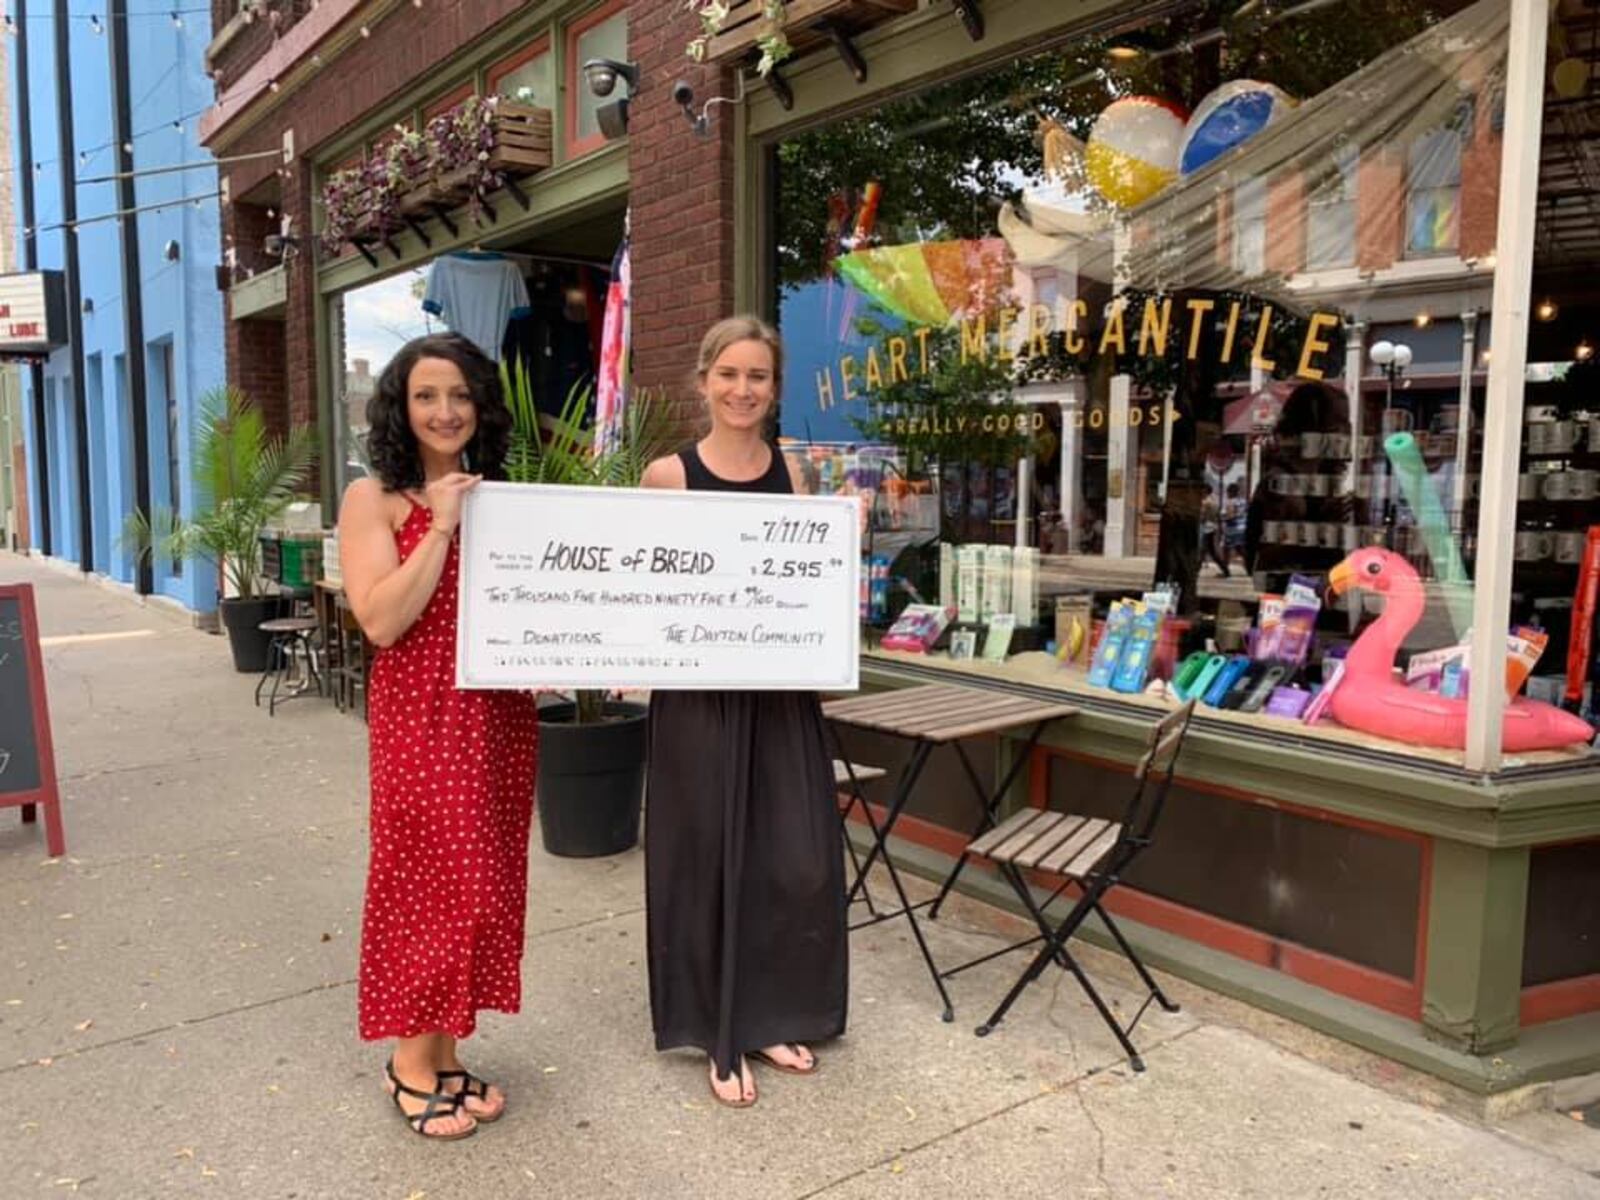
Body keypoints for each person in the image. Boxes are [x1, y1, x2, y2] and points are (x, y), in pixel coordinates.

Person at [640, 316, 849, 1108]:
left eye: (757, 376)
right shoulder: (668, 475)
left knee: (785, 858)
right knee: (705, 858)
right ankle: (716, 1031)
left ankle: (765, 1014)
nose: (742, 389)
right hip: (696, 696)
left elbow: (799, 588)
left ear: (775, 388)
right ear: (703, 381)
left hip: (778, 694)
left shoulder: (792, 475)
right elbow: (639, 593)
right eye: (728, 374)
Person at [338, 332, 540, 1140]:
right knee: (429, 881)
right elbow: (382, 620)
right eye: (427, 395)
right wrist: (444, 526)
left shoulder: (503, 493)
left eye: (459, 395)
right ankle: (407, 1063)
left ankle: (446, 1052)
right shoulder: (376, 499)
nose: (445, 411)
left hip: (498, 711)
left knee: (484, 884)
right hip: (423, 711)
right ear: (402, 405)